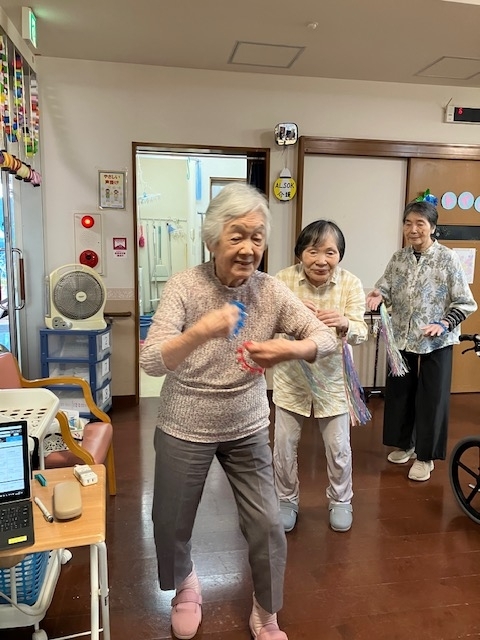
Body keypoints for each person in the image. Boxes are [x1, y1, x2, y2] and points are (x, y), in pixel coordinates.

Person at [140, 183, 337, 640]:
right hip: (184, 422)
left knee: (268, 523)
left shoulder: (271, 291)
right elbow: (151, 360)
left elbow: (325, 338)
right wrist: (201, 331)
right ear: (212, 240)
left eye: (257, 237)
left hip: (246, 423)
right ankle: (186, 584)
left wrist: (290, 350)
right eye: (237, 236)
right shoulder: (185, 286)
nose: (249, 249)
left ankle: (266, 611)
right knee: (169, 522)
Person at [366, 198, 477, 482]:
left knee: (431, 398)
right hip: (402, 336)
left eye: (420, 223)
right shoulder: (399, 258)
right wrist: (378, 296)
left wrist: (444, 323)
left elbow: (465, 302)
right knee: (400, 392)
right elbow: (385, 288)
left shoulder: (447, 258)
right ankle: (405, 445)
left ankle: (425, 457)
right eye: (408, 223)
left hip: (436, 340)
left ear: (433, 227)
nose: (413, 229)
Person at [272, 220, 368, 534]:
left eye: (330, 252)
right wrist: (290, 312)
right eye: (313, 251)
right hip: (292, 377)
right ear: (300, 252)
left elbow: (361, 332)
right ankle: (286, 500)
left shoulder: (350, 283)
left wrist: (345, 323)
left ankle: (341, 500)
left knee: (338, 448)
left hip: (333, 380)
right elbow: (267, 323)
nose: (321, 260)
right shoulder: (282, 280)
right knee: (284, 446)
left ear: (339, 255)